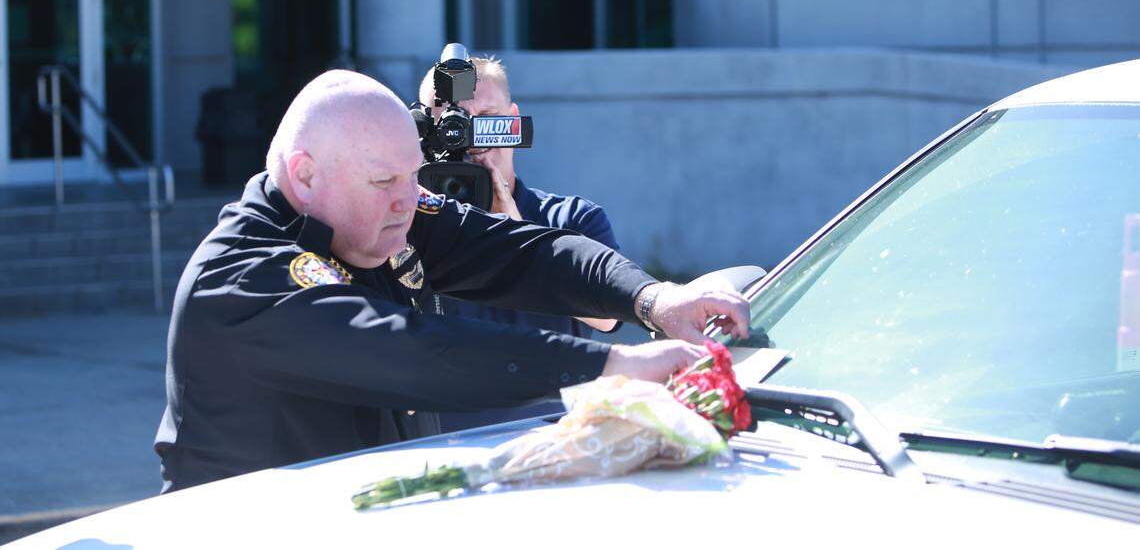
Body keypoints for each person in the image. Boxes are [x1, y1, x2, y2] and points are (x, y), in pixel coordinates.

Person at [155, 70, 749, 492]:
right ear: (304, 176)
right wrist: (610, 367)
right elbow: (413, 353)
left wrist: (655, 299)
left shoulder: (385, 214)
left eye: (415, 177)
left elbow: (521, 252)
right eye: (384, 181)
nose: (407, 202)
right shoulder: (242, 278)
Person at [419, 57, 624, 431]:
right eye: (454, 124)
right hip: (435, 450)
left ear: (512, 120)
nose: (473, 138)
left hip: (550, 441)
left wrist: (516, 234)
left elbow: (608, 315)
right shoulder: (401, 227)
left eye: (486, 117)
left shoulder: (573, 220)